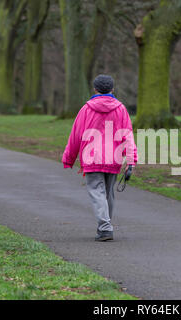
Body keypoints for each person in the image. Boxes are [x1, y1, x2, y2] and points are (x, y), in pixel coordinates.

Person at [62, 75, 138, 241]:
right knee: (108, 193)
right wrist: (130, 160)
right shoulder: (121, 109)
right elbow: (128, 136)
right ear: (112, 89)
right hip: (114, 158)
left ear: (95, 89)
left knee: (97, 191)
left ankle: (104, 228)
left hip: (92, 157)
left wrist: (69, 158)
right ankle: (105, 226)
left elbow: (76, 135)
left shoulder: (86, 109)